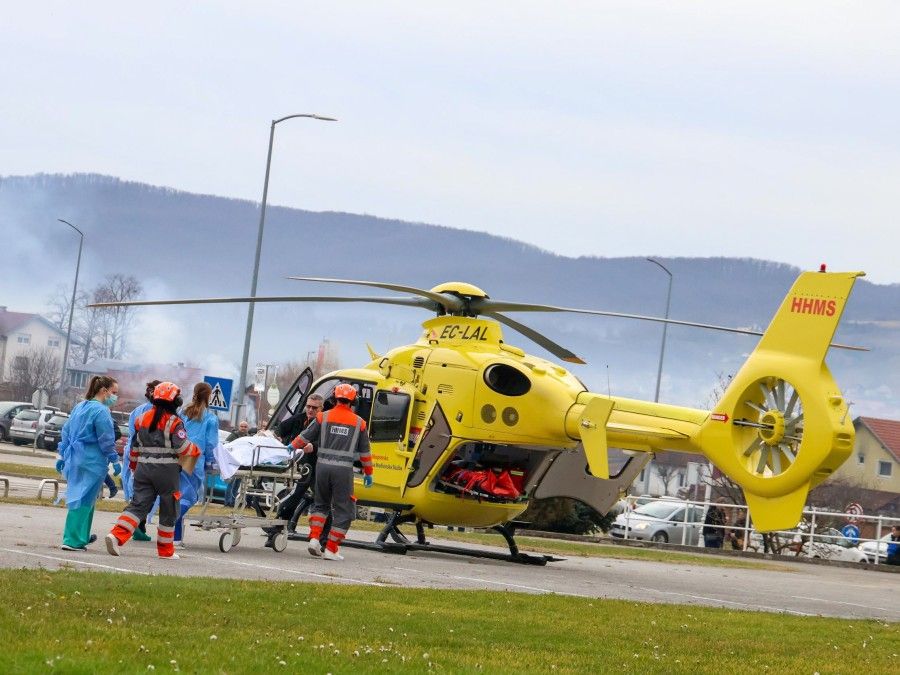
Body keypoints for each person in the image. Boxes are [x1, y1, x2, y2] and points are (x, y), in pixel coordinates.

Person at [105, 382, 200, 560]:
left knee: (138, 506)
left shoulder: (141, 419)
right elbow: (183, 448)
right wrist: (196, 451)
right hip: (167, 472)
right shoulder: (174, 422)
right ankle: (165, 551)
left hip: (142, 470)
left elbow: (134, 448)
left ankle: (116, 536)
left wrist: (134, 469)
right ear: (174, 400)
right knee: (169, 509)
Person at [290, 384, 373, 561]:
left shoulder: (323, 417)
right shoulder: (360, 423)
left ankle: (314, 539)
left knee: (320, 505)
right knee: (344, 511)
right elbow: (365, 452)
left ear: (334, 399)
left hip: (322, 468)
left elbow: (304, 437)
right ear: (354, 401)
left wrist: (289, 448)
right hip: (343, 471)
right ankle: (331, 549)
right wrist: (368, 473)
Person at [56, 375, 122, 551]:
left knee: (79, 497)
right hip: (92, 460)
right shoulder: (101, 411)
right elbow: (106, 439)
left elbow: (66, 431)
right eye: (114, 393)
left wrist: (61, 456)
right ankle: (73, 539)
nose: (116, 397)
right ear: (104, 391)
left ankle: (81, 536)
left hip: (75, 458)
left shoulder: (80, 407)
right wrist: (115, 459)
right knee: (84, 500)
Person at [265, 394, 325, 544]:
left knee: (323, 502)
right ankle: (275, 534)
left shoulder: (325, 422)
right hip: (301, 466)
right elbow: (282, 428)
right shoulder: (299, 418)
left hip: (318, 466)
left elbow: (328, 443)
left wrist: (315, 446)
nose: (310, 410)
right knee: (292, 497)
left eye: (314, 408)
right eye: (308, 406)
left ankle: (323, 541)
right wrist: (276, 435)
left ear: (321, 408)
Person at [174, 382, 219, 546]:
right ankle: (171, 521)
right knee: (190, 496)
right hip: (195, 457)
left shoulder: (183, 412)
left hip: (180, 454)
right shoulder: (210, 418)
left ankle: (175, 538)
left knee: (178, 495)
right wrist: (211, 462)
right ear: (208, 396)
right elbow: (211, 444)